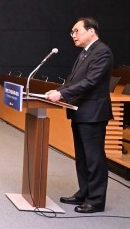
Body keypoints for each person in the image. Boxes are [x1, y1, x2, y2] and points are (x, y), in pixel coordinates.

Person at [45, 17, 114, 214]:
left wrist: (63, 94)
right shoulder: (85, 53)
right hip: (80, 112)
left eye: (77, 31)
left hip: (93, 114)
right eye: (72, 33)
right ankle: (84, 192)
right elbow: (73, 81)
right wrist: (57, 90)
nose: (73, 35)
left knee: (94, 158)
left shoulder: (102, 52)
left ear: (91, 31)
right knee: (82, 158)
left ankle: (96, 200)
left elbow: (90, 82)